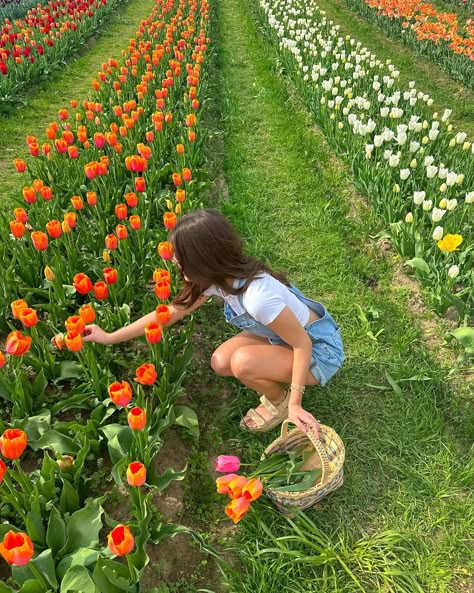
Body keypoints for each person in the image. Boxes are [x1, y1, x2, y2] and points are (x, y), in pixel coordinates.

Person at [83, 209, 344, 436]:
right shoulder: (219, 279)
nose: (176, 265)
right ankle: (275, 379)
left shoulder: (258, 298)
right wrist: (109, 336)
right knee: (221, 362)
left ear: (203, 260)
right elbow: (169, 314)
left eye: (179, 260)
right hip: (281, 336)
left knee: (242, 363)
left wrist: (296, 403)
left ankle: (280, 402)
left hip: (319, 351)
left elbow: (302, 343)